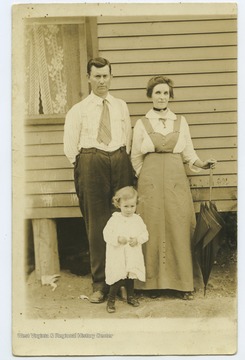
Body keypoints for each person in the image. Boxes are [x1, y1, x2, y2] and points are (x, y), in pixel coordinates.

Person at [131, 76, 216, 300]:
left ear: (170, 96)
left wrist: (203, 164)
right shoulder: (142, 123)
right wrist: (147, 180)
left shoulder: (180, 122)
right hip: (150, 184)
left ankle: (183, 284)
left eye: (165, 93)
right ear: (150, 95)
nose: (161, 97)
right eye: (157, 93)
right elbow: (135, 158)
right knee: (151, 228)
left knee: (180, 227)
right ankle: (150, 285)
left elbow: (189, 155)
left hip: (176, 182)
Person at [64, 57, 135, 303]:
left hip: (119, 159)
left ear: (111, 77)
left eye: (106, 76)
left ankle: (125, 283)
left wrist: (119, 159)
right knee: (97, 226)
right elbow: (70, 148)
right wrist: (89, 163)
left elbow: (127, 137)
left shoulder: (121, 106)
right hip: (91, 162)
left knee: (125, 220)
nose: (102, 81)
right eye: (97, 76)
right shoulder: (78, 110)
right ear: (89, 77)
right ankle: (100, 285)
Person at [103, 186, 149, 313]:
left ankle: (131, 297)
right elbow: (106, 234)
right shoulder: (114, 220)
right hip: (118, 254)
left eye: (132, 206)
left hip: (132, 254)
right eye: (126, 206)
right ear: (119, 204)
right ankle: (111, 301)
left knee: (130, 277)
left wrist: (137, 240)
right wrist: (117, 239)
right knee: (117, 278)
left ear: (136, 205)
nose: (129, 210)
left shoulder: (137, 219)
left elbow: (145, 234)